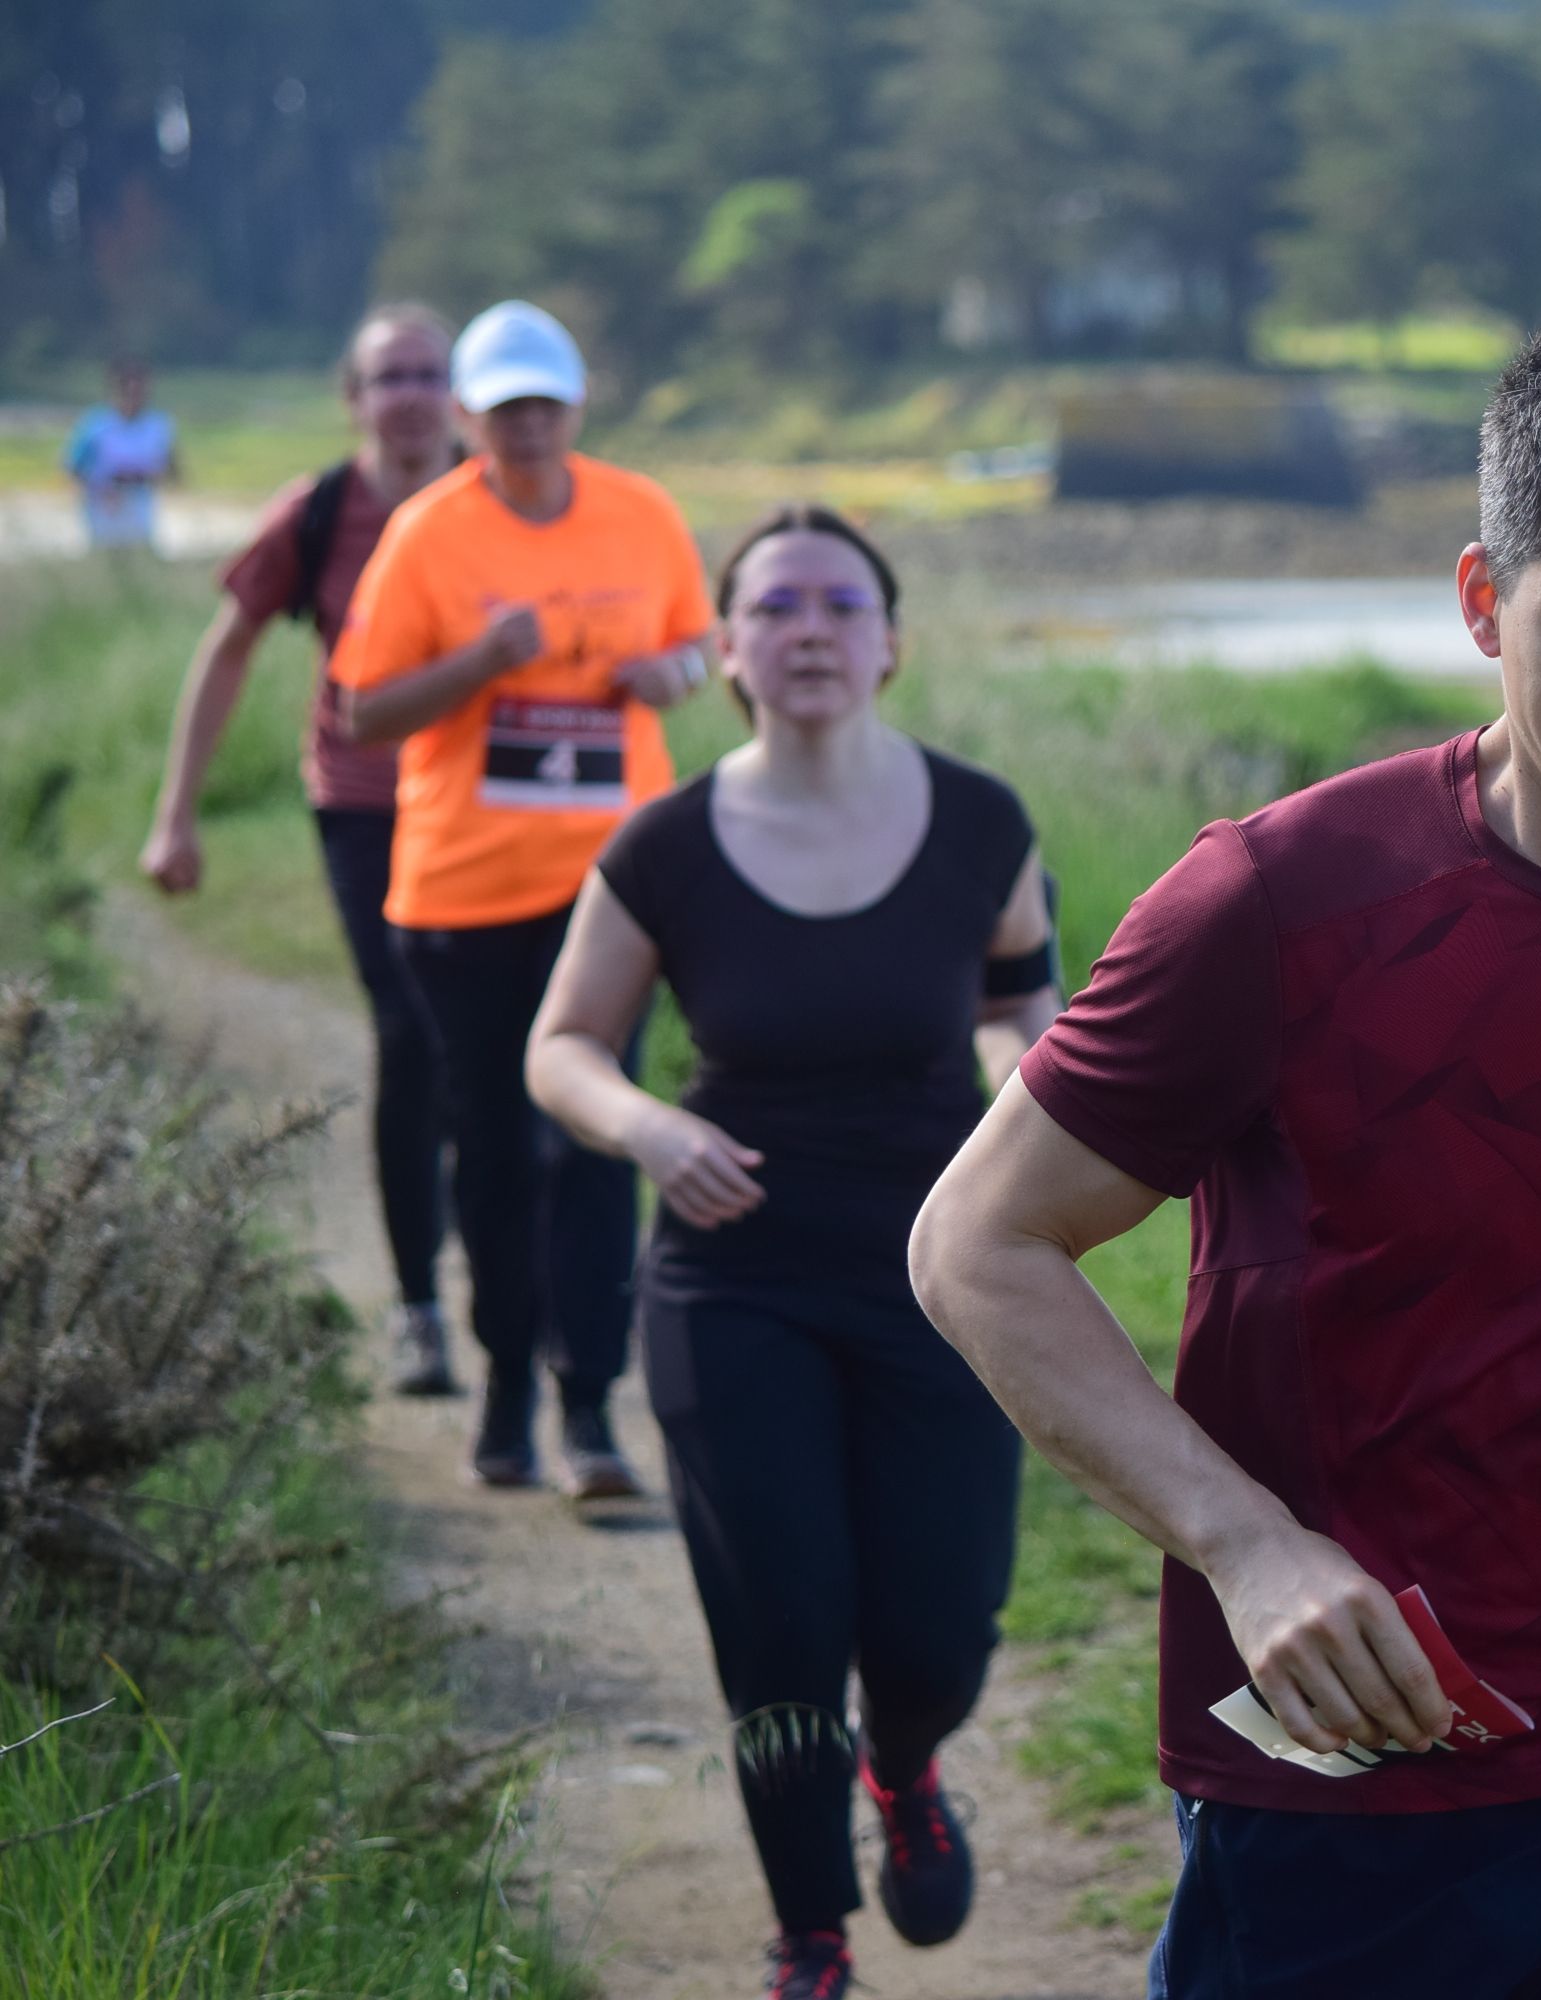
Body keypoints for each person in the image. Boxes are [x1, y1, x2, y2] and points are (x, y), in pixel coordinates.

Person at [909, 309, 1541, 1998]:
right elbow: (976, 1244)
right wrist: (1245, 1545)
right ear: (1481, 600)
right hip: (1341, 1778)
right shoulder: (1274, 903)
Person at [527, 506, 1060, 2000]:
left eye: (840, 603)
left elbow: (1018, 1007)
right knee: (782, 1618)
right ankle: (810, 1932)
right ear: (726, 653)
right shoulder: (665, 846)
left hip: (941, 1274)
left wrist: (1028, 1098)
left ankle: (906, 1758)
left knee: (939, 1626)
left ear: (891, 643)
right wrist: (649, 1130)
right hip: (733, 1275)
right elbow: (562, 1045)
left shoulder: (981, 823)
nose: (809, 629)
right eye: (774, 607)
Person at [330, 298, 713, 1498]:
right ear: (469, 417)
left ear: (577, 405)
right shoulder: (428, 533)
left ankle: (590, 1403)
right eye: (504, 410)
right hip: (463, 893)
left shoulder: (641, 514)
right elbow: (363, 709)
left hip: (614, 886)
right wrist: (482, 661)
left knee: (599, 1140)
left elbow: (702, 646)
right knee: (497, 1145)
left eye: (545, 404)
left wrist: (673, 671)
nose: (528, 426)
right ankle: (504, 1387)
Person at [141, 303, 467, 1396]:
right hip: (366, 803)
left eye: (429, 373)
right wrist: (176, 813)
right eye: (390, 376)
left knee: (486, 1045)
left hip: (491, 814)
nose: (411, 395)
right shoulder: (319, 511)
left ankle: (486, 1231)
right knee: (410, 1027)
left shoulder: (496, 497)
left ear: (457, 392)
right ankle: (419, 1308)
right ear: (354, 397)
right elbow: (228, 647)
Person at [64, 358, 180, 551]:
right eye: (127, 391)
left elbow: (172, 467)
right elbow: (74, 466)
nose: (132, 398)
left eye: (138, 391)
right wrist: (99, 489)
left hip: (141, 499)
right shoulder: (96, 423)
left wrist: (160, 478)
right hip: (103, 502)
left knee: (139, 551)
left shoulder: (157, 425)